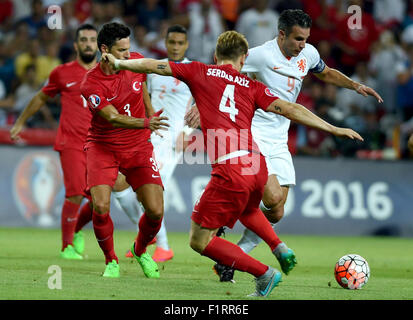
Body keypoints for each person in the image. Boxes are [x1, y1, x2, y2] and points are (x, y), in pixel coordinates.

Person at [102, 30, 363, 297]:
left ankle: (264, 274)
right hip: (257, 164)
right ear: (244, 58)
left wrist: (120, 63)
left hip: (230, 168)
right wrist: (331, 127)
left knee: (199, 240)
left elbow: (153, 65)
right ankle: (278, 245)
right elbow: (290, 108)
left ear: (216, 56)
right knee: (248, 207)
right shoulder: (252, 86)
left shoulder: (199, 71)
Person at [186, 9, 383, 282]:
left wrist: (354, 85)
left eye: (306, 39)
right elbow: (222, 72)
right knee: (266, 195)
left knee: (276, 208)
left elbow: (324, 73)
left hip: (280, 137)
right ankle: (229, 242)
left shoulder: (308, 54)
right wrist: (200, 103)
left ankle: (233, 254)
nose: (303, 45)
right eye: (298, 39)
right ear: (281, 34)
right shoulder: (260, 55)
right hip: (252, 133)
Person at [80, 22, 169, 279]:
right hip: (103, 146)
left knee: (155, 210)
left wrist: (150, 111)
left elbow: (140, 84)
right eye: (121, 51)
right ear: (105, 50)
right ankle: (111, 260)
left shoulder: (136, 62)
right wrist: (145, 122)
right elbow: (112, 117)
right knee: (100, 206)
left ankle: (140, 251)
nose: (128, 55)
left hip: (138, 146)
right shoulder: (91, 83)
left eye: (129, 49)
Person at [125, 24, 194, 262]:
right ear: (166, 43)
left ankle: (161, 245)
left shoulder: (193, 70)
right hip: (150, 135)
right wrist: (148, 111)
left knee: (151, 190)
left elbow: (203, 104)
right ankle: (148, 239)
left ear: (187, 45)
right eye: (172, 42)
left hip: (173, 140)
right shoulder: (155, 69)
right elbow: (142, 90)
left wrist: (187, 131)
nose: (175, 47)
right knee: (138, 191)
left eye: (180, 43)